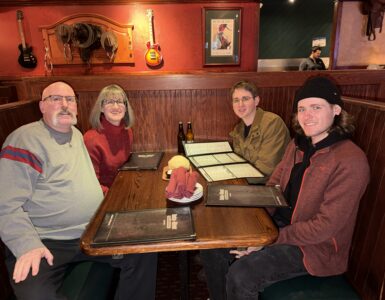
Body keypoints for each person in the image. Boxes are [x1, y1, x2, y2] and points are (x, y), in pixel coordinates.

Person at [0, 81, 157, 300]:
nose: (64, 105)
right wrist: (27, 244)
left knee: (144, 252)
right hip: (46, 240)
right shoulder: (25, 140)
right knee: (36, 294)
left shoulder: (75, 134)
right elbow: (5, 205)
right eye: (55, 99)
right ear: (42, 106)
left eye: (70, 99)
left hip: (90, 232)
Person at [223, 76, 370, 300]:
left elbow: (325, 227)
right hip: (283, 226)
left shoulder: (350, 160)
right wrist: (256, 227)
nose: (307, 116)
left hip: (315, 248)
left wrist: (269, 239)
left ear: (336, 110)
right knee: (223, 243)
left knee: (241, 274)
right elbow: (274, 185)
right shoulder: (297, 144)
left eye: (316, 107)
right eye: (302, 109)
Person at [229, 80, 290, 176]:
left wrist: (232, 176)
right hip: (249, 182)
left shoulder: (272, 123)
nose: (240, 104)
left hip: (269, 185)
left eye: (245, 99)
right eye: (236, 100)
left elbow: (266, 169)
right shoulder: (238, 129)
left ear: (256, 101)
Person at [84, 84, 134, 195]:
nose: (116, 106)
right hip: (104, 197)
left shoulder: (128, 132)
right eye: (110, 102)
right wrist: (113, 195)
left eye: (120, 102)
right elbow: (91, 184)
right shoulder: (91, 139)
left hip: (123, 188)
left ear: (126, 107)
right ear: (101, 107)